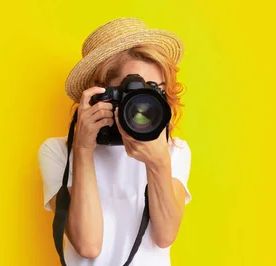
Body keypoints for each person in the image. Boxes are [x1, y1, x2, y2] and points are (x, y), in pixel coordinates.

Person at [38, 18, 191, 266]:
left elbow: (164, 237)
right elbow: (88, 245)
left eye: (154, 89)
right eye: (131, 92)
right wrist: (84, 149)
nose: (143, 103)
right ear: (101, 94)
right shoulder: (57, 151)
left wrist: (159, 161)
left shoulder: (175, 151)